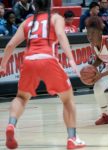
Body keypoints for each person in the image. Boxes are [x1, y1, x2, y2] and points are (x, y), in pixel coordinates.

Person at [0, 0, 85, 149]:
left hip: (29, 61)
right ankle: (72, 138)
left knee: (21, 97)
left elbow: (10, 45)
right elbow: (60, 34)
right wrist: (71, 58)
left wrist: (3, 65)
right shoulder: (56, 18)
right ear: (50, 4)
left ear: (34, 6)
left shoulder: (27, 21)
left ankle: (11, 125)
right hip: (48, 59)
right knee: (67, 99)